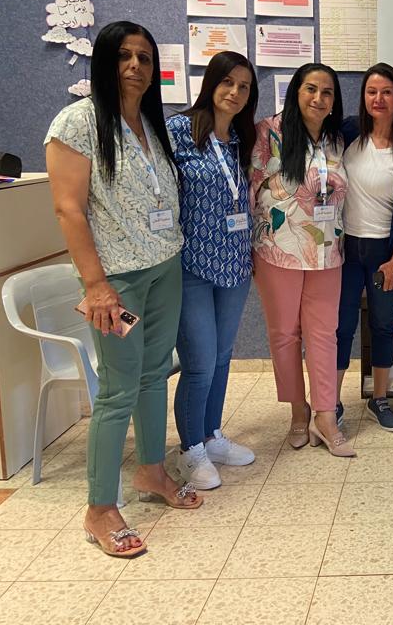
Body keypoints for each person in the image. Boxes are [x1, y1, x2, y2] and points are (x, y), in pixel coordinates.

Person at [45, 21, 201, 559]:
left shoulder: (150, 123)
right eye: (124, 56)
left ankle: (152, 471)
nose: (135, 66)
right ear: (105, 62)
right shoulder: (78, 122)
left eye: (144, 57)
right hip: (116, 281)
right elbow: (68, 208)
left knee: (155, 373)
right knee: (117, 390)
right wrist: (96, 286)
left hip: (164, 266)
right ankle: (99, 508)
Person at [250, 62, 354, 457]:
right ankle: (298, 411)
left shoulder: (336, 140)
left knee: (324, 334)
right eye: (311, 89)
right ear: (296, 91)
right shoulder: (268, 132)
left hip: (327, 252)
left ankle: (325, 416)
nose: (318, 98)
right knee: (284, 335)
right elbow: (249, 188)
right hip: (277, 250)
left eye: (327, 92)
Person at [167, 51, 259, 489]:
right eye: (228, 82)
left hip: (234, 263)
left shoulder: (240, 140)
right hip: (192, 266)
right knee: (200, 362)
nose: (235, 92)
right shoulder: (180, 130)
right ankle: (189, 450)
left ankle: (210, 435)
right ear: (211, 83)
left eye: (244, 87)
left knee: (222, 357)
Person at [336, 63, 393, 432]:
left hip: (386, 254)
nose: (378, 98)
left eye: (387, 92)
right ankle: (331, 402)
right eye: (372, 91)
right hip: (344, 252)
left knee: (382, 325)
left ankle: (380, 398)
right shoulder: (347, 133)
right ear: (363, 96)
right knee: (340, 327)